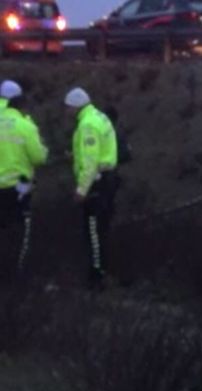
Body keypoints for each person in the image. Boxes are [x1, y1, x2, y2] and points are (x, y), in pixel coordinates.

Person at [64, 87, 118, 290]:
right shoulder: (99, 117)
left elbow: (91, 161)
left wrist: (81, 190)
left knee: (93, 232)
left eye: (68, 108)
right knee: (102, 229)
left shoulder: (87, 125)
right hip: (107, 180)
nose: (66, 112)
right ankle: (103, 271)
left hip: (96, 183)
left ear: (75, 107)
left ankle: (97, 277)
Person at [0, 80, 48, 279]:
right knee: (18, 230)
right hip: (18, 188)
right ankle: (14, 273)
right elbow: (38, 158)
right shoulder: (25, 125)